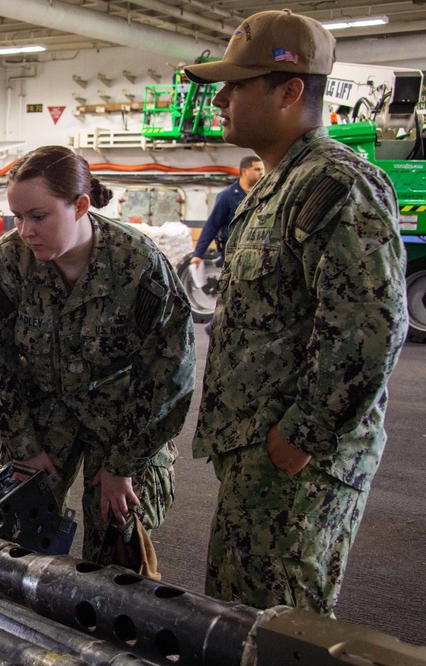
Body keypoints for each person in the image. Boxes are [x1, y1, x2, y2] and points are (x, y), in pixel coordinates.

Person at [183, 9, 408, 615]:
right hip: (261, 457)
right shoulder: (280, 185)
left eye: (237, 84)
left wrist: (299, 436)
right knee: (241, 619)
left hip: (295, 466)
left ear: (288, 92)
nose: (221, 99)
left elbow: (371, 328)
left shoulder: (334, 183)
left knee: (281, 628)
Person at [0, 146, 195, 563]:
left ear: (80, 206)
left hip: (123, 417)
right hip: (40, 413)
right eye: (16, 217)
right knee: (20, 535)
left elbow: (168, 373)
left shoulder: (139, 265)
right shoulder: (6, 263)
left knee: (118, 541)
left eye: (38, 216)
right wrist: (22, 445)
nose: (25, 231)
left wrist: (122, 464)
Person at [190, 155, 264, 267]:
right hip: (234, 254)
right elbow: (212, 225)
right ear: (244, 171)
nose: (261, 173)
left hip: (258, 252)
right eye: (257, 169)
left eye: (262, 169)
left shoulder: (263, 193)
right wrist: (198, 254)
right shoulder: (228, 196)